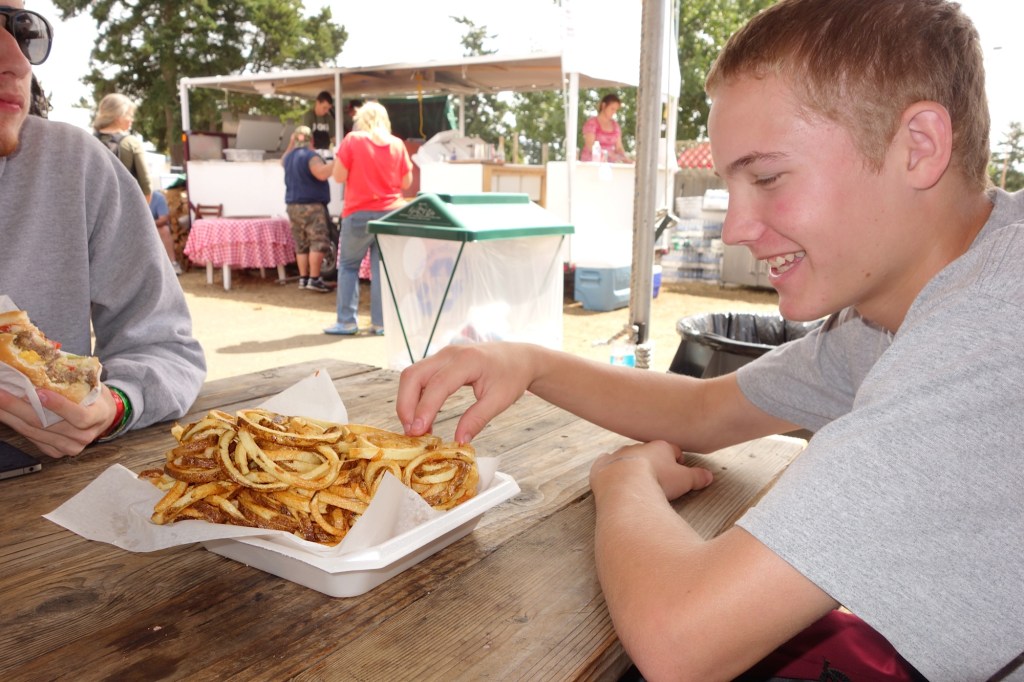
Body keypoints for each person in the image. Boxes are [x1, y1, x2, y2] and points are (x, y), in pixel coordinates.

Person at [395, 1, 1024, 680]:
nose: (735, 229)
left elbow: (681, 641)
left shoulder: (990, 338)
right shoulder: (898, 310)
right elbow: (707, 410)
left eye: (768, 178)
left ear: (919, 147)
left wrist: (624, 478)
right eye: (731, 184)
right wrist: (527, 361)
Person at [0, 1, 206, 459]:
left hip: (41, 501)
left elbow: (165, 346)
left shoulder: (73, 165)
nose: (16, 62)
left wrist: (116, 405)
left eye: (23, 30)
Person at [324, 101, 412, 336]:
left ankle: (347, 321)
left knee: (348, 266)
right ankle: (381, 323)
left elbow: (339, 176)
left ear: (361, 119)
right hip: (392, 213)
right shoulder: (397, 144)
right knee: (381, 269)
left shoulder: (353, 140)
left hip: (359, 212)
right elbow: (406, 182)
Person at [282, 125, 334, 293]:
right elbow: (321, 173)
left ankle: (303, 278)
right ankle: (315, 278)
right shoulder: (311, 156)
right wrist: (339, 163)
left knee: (301, 243)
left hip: (292, 206)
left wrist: (290, 144)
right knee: (318, 242)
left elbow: (282, 160)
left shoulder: (288, 158)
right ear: (311, 140)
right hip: (311, 206)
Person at [92, 92, 153, 202]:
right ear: (119, 116)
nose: (132, 119)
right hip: (125, 210)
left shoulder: (88, 141)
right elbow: (146, 185)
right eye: (129, 115)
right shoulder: (130, 143)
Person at [580, 93, 632, 163]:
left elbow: (619, 147)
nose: (614, 112)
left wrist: (626, 159)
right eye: (612, 109)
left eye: (616, 110)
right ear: (604, 105)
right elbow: (590, 145)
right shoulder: (592, 123)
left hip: (610, 165)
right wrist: (608, 154)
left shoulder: (615, 126)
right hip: (592, 163)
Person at [149, 189, 183, 275]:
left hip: (152, 226)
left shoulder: (158, 198)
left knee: (164, 230)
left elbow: (163, 219)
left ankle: (173, 263)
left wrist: (147, 223)